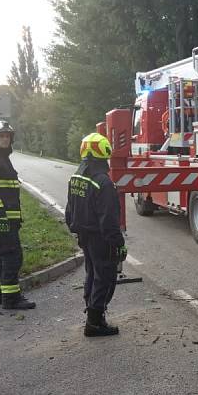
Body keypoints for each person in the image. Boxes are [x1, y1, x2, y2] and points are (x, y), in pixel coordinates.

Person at [65, 132, 127, 337]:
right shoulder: (103, 182)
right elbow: (109, 219)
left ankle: (92, 314)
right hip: (101, 238)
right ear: (103, 152)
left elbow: (69, 210)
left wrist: (76, 229)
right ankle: (94, 322)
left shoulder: (76, 176)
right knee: (105, 277)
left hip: (84, 235)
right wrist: (118, 243)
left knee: (91, 274)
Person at [0, 120, 36, 309]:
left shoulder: (2, 158)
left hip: (6, 218)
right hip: (2, 219)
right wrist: (1, 216)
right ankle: (11, 299)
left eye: (7, 136)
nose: (5, 139)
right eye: (1, 136)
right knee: (13, 255)